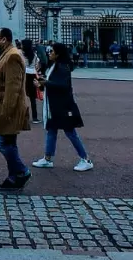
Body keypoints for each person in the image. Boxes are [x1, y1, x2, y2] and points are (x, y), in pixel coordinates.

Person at [32, 42, 93, 172]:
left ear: (58, 54)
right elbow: (54, 84)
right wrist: (41, 84)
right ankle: (47, 158)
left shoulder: (62, 67)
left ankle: (86, 159)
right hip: (55, 104)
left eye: (52, 51)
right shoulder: (54, 66)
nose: (49, 53)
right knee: (51, 130)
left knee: (70, 132)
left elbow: (63, 85)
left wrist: (45, 83)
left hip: (64, 105)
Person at [0, 27, 31, 191]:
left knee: (1, 142)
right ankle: (13, 178)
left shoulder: (12, 56)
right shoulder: (7, 54)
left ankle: (22, 171)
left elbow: (13, 87)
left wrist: (7, 112)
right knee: (8, 143)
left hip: (6, 107)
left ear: (4, 39)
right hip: (1, 105)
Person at [21, 39, 41, 124]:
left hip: (24, 75)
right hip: (32, 75)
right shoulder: (34, 55)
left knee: (22, 96)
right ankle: (35, 117)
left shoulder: (21, 54)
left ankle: (23, 116)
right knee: (32, 98)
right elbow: (38, 65)